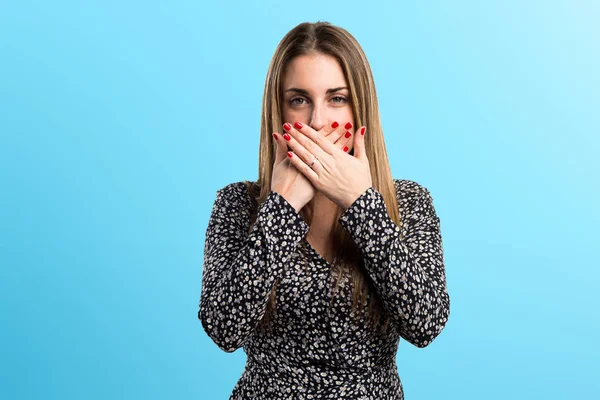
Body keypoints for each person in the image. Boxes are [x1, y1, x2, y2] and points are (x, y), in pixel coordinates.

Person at [198, 21, 450, 400]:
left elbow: (424, 324)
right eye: (299, 100)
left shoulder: (409, 203)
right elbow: (223, 329)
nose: (317, 122)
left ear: (360, 108)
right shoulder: (238, 204)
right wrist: (280, 210)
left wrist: (363, 204)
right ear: (277, 111)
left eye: (337, 99)